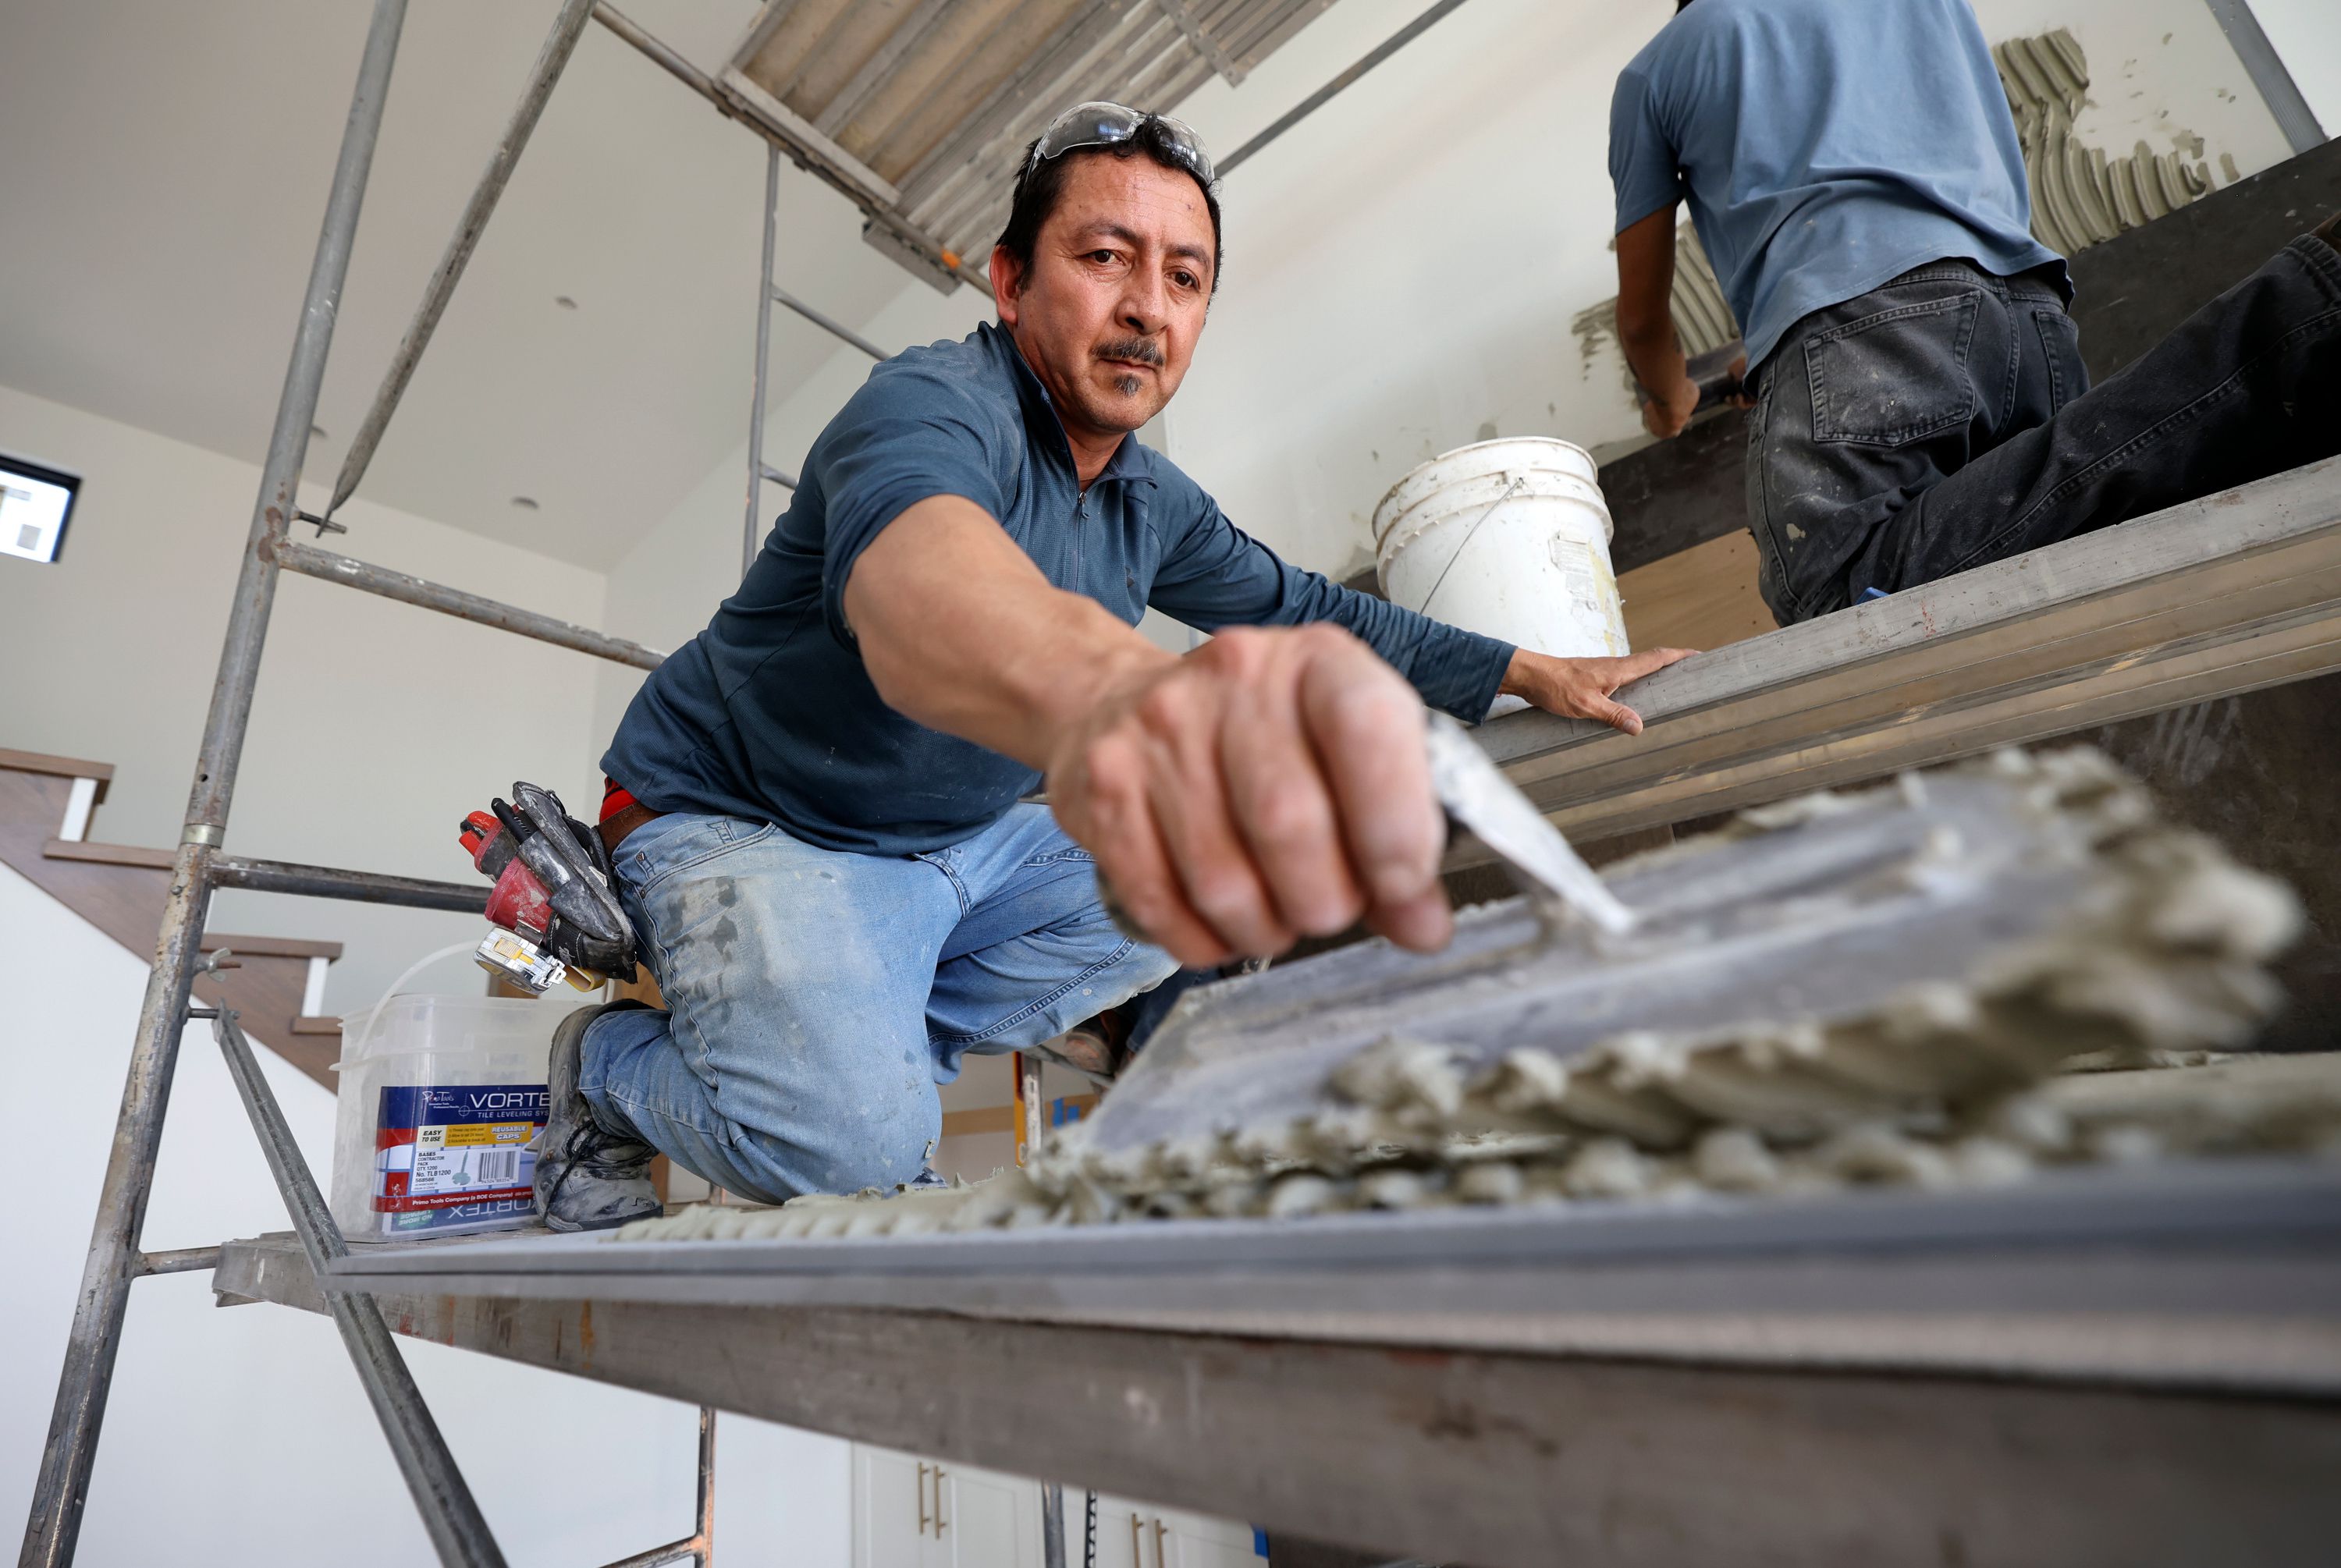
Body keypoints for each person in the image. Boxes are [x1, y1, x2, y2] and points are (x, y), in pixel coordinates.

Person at [532, 103, 1691, 1229]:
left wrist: (1528, 668)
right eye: (1104, 257)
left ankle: (860, 1030)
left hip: (935, 847)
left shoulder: (1149, 498)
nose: (1147, 309)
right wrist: (1133, 700)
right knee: (854, 1152)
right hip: (741, 815)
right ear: (1011, 281)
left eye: (1184, 279)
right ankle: (610, 1069)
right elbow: (920, 588)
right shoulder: (933, 407)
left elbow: (1303, 607)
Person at [1607, 0, 2341, 625]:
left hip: (1860, 340)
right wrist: (1774, 348)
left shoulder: (1661, 65)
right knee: (2061, 576)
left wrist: (1670, 397)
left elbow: (1643, 321)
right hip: (2024, 313)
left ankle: (2297, 317)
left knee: (1837, 595)